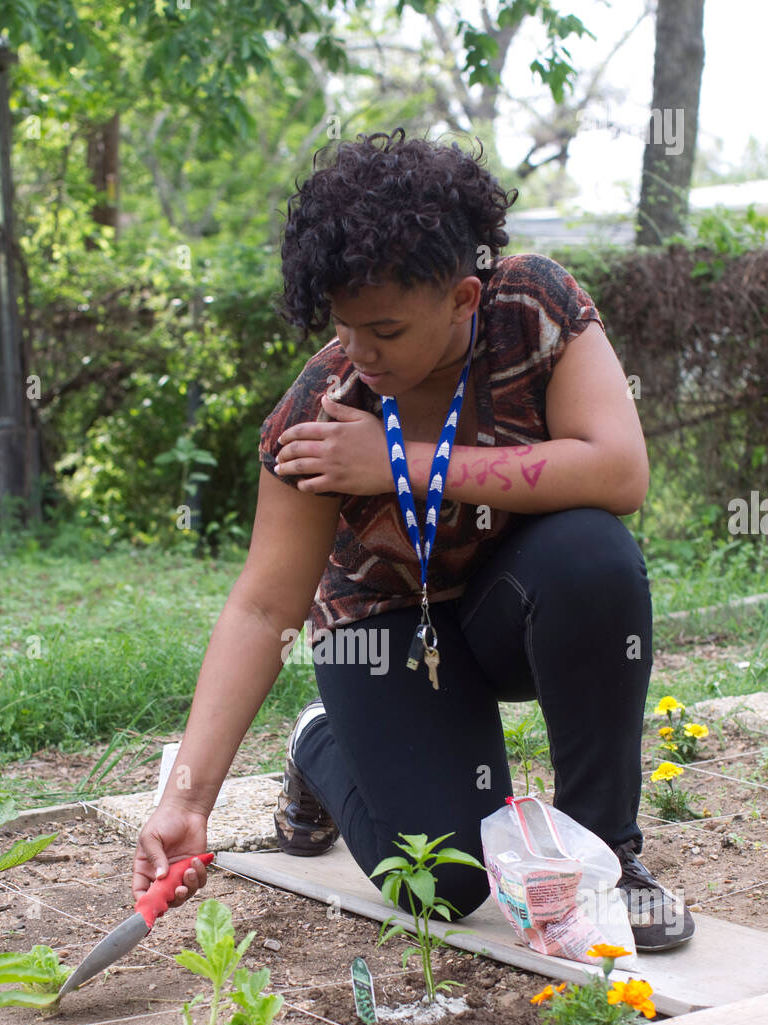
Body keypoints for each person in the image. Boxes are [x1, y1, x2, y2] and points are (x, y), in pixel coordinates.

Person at [132, 127, 693, 954]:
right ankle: (320, 741)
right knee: (446, 882)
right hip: (386, 629)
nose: (359, 350)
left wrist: (405, 465)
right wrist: (186, 798)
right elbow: (261, 607)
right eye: (343, 325)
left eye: (385, 330)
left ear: (463, 298)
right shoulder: (320, 412)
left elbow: (619, 473)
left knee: (593, 555)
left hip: (511, 604)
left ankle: (605, 859)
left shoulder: (531, 309)